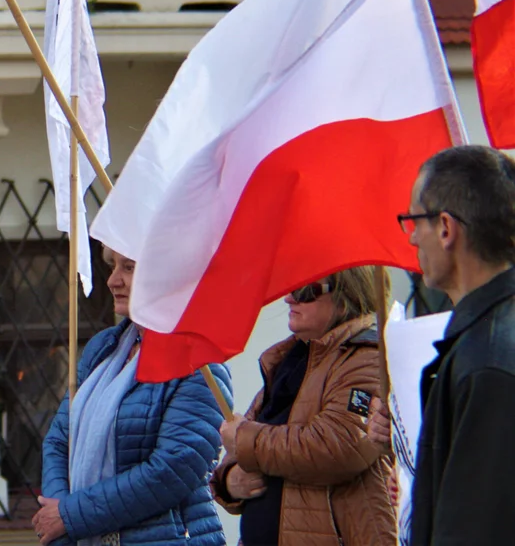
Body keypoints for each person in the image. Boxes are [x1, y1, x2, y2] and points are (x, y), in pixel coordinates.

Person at [367, 145, 515, 546]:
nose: (411, 237)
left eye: (415, 221)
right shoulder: (482, 342)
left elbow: (476, 526)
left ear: (446, 228)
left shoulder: (488, 362)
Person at [34, 247, 232, 546]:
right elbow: (60, 440)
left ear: (165, 273)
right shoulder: (105, 348)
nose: (113, 280)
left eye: (128, 267)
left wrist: (71, 516)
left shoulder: (199, 360)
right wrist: (58, 517)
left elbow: (175, 467)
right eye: (113, 266)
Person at [210, 266, 396, 546]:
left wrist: (246, 440)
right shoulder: (290, 360)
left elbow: (341, 445)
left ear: (347, 294)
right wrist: (231, 480)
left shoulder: (366, 356)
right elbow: (242, 449)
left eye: (306, 290)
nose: (289, 298)